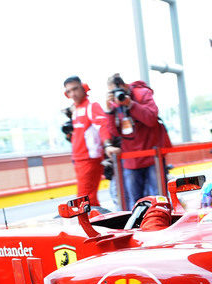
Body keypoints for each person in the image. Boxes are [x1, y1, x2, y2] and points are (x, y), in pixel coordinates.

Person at [103, 73, 170, 208]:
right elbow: (114, 132)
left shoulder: (142, 93)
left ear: (125, 86)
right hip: (131, 159)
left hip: (152, 156)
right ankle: (136, 227)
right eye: (112, 93)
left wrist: (130, 104)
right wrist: (109, 111)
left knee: (159, 199)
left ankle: (162, 224)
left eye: (118, 91)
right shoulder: (113, 104)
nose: (117, 95)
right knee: (133, 202)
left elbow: (151, 119)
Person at [63, 75, 111, 208]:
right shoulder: (75, 110)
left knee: (85, 200)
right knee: (88, 199)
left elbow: (102, 125)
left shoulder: (92, 107)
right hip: (79, 159)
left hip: (89, 160)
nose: (73, 94)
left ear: (83, 88)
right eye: (69, 91)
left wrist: (108, 145)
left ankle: (91, 226)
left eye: (75, 89)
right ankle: (94, 225)